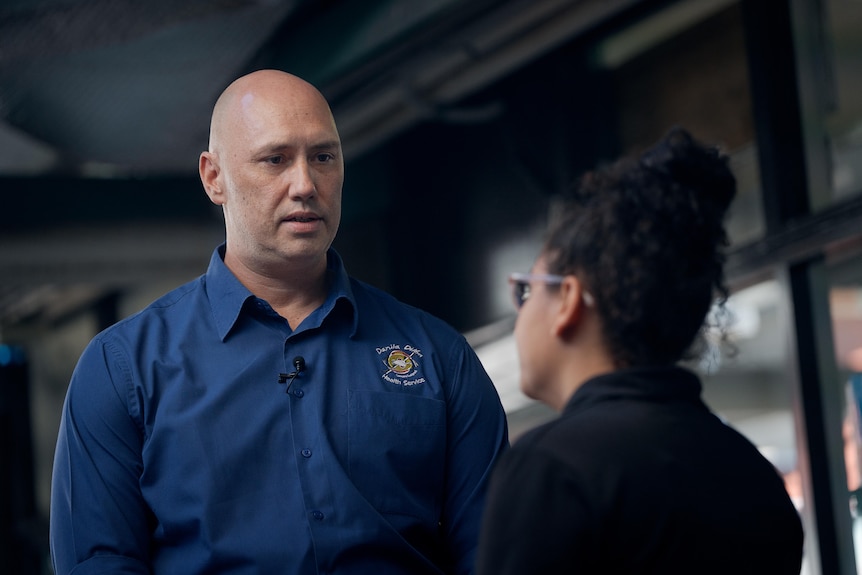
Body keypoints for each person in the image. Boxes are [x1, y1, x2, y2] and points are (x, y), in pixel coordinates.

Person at [50, 69, 509, 575]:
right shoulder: (123, 368)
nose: (306, 185)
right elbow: (99, 562)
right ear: (213, 177)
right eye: (275, 159)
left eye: (323, 157)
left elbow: (495, 552)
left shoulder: (437, 355)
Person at [475, 127, 804, 574]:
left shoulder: (552, 468)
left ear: (568, 301)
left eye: (526, 292)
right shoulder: (753, 476)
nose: (521, 317)